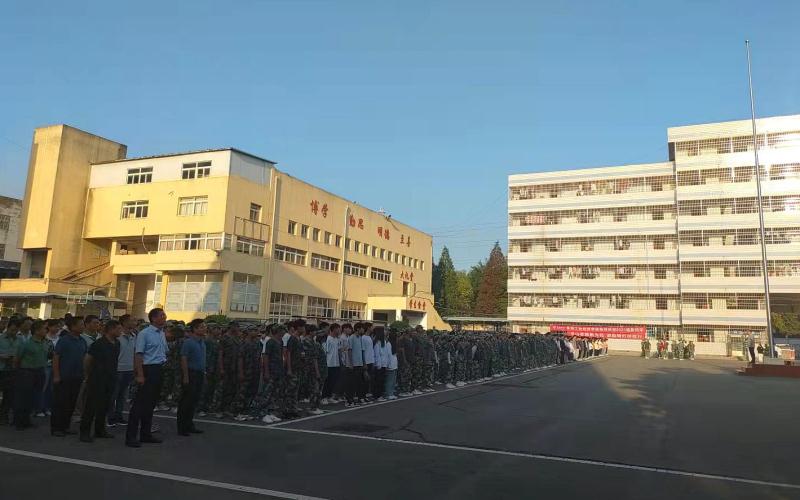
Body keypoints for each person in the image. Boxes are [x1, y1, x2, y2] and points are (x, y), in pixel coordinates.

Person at [126, 308, 168, 448]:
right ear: (153, 318)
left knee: (150, 404)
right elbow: (139, 355)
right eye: (162, 315)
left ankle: (146, 434)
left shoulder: (161, 333)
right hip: (147, 369)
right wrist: (140, 374)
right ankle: (131, 437)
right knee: (139, 405)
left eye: (164, 315)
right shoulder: (145, 334)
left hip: (158, 369)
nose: (164, 317)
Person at [80, 320, 122, 442]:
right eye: (118, 329)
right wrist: (88, 375)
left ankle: (100, 430)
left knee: (104, 406)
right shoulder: (99, 344)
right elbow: (87, 360)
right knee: (91, 406)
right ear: (111, 329)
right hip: (97, 378)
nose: (120, 331)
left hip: (111, 378)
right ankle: (84, 432)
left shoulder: (117, 343)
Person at [51, 316, 87, 436]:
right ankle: (56, 428)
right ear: (73, 326)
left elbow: (84, 358)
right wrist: (56, 375)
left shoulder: (82, 341)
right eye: (81, 324)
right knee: (61, 403)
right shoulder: (64, 340)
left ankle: (66, 426)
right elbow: (56, 357)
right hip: (64, 376)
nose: (83, 327)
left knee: (71, 403)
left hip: (77, 376)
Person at [13, 320, 48, 430]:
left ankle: (27, 420)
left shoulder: (44, 343)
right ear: (37, 331)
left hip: (39, 371)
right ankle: (19, 421)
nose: (45, 331)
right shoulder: (26, 343)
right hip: (27, 372)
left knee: (32, 397)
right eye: (44, 329)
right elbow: (17, 358)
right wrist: (18, 371)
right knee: (23, 397)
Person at [177, 318, 206, 436]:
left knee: (194, 401)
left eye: (204, 326)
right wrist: (186, 376)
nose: (204, 328)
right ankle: (182, 427)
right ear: (194, 329)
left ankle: (189, 424)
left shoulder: (202, 342)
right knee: (186, 401)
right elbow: (183, 359)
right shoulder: (188, 342)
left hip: (199, 373)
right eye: (202, 327)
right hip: (191, 373)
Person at [109, 314, 136, 426]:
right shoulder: (118, 336)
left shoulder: (134, 336)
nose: (134, 322)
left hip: (129, 369)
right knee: (113, 395)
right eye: (132, 320)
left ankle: (119, 416)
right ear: (124, 322)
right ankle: (110, 417)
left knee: (122, 395)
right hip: (118, 369)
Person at [259, 324, 285, 423]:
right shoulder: (270, 342)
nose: (284, 332)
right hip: (271, 370)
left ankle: (271, 412)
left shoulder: (280, 342)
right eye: (282, 330)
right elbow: (265, 356)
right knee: (267, 393)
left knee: (275, 393)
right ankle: (263, 413)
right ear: (278, 331)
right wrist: (266, 371)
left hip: (278, 371)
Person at [0, 317, 21, 425]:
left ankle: (4, 416)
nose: (14, 332)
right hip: (1, 368)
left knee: (8, 395)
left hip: (12, 370)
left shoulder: (19, 340)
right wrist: (2, 356)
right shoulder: (1, 338)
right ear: (7, 328)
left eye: (16, 330)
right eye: (12, 330)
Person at [321, 323, 341, 404]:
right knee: (327, 381)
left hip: (336, 363)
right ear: (334, 329)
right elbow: (325, 352)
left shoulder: (336, 339)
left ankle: (329, 396)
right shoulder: (328, 339)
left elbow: (339, 350)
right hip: (329, 363)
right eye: (338, 329)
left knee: (333, 381)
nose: (339, 331)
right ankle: (323, 397)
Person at [384, 329, 398, 400]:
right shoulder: (388, 344)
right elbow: (388, 355)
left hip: (394, 364)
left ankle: (391, 393)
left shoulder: (393, 343)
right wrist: (388, 364)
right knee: (390, 380)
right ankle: (388, 393)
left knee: (393, 380)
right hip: (390, 364)